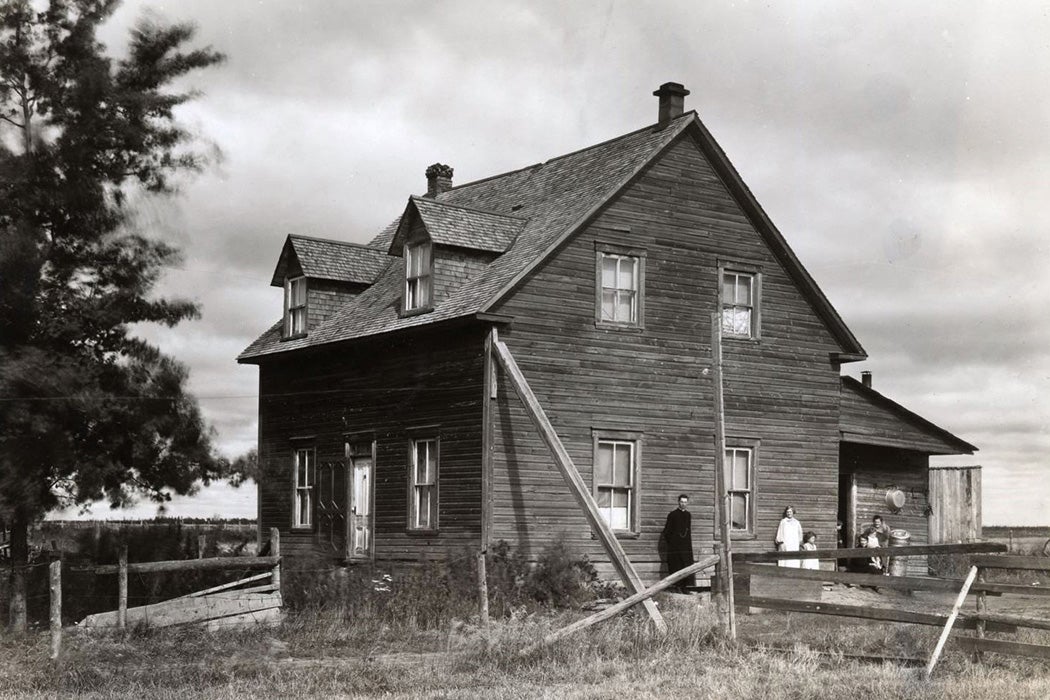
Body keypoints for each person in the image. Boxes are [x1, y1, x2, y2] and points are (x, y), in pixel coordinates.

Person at [662, 494, 694, 591]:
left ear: (687, 503)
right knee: (676, 565)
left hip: (686, 546)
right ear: (678, 502)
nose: (683, 504)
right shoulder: (672, 515)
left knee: (686, 565)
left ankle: (684, 587)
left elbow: (687, 531)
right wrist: (672, 543)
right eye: (681, 502)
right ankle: (677, 587)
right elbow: (666, 532)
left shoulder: (688, 515)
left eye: (685, 502)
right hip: (675, 547)